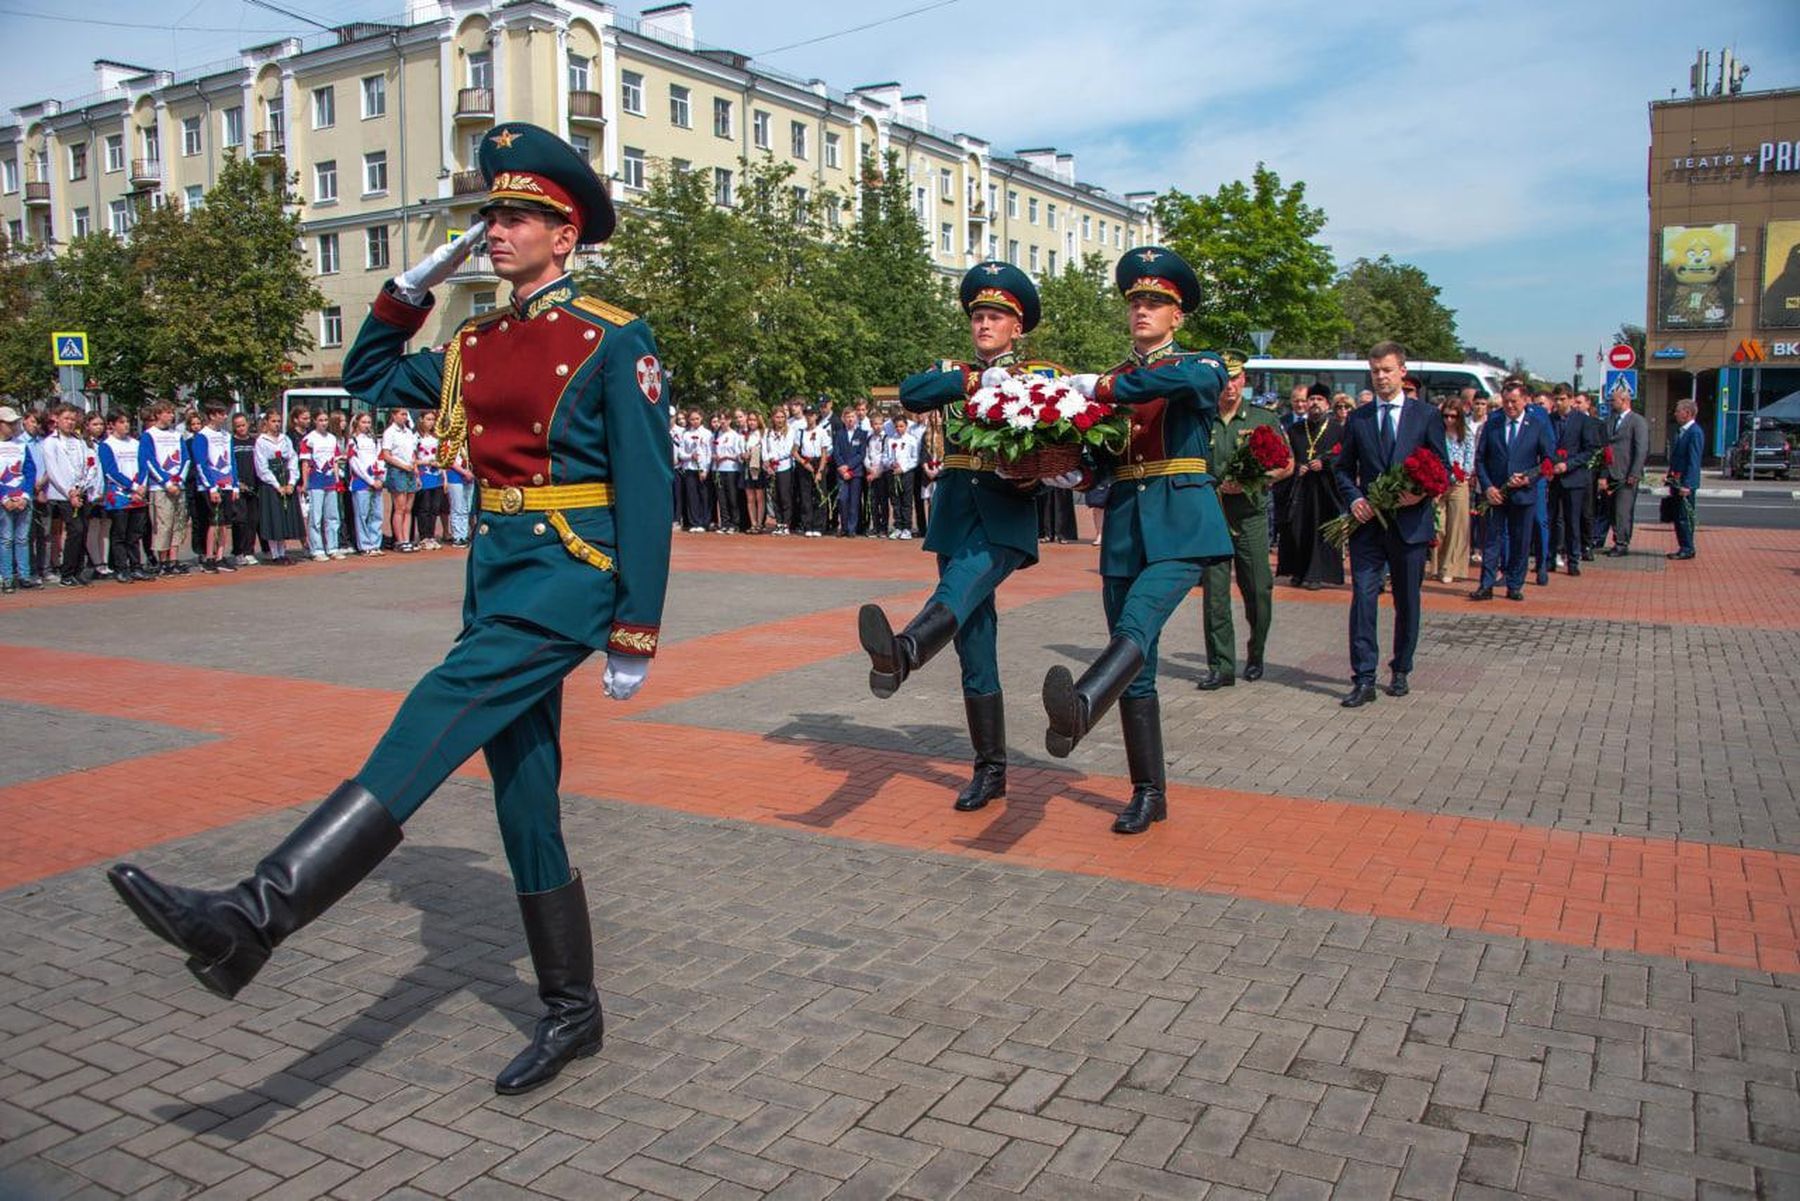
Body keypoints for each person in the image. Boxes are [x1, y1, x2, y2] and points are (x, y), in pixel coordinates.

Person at [107, 119, 673, 1099]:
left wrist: (635, 625)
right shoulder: (478, 341)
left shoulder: (612, 339)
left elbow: (650, 487)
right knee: (525, 797)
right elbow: (366, 378)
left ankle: (254, 917)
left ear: (565, 232)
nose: (496, 228)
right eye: (490, 212)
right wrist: (410, 288)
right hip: (497, 576)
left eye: (518, 214)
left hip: (565, 582)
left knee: (428, 720)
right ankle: (573, 1009)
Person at [1040, 247, 1233, 835]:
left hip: (1182, 523)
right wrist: (1070, 470)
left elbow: (1187, 381)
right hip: (1125, 523)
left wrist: (1101, 385)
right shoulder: (1115, 381)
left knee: (1138, 625)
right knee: (1137, 666)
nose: (1143, 310)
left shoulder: (1200, 364)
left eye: (1156, 303)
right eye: (1136, 302)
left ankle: (1081, 704)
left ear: (1178, 316)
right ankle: (1148, 792)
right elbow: (1102, 456)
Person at [863, 261, 1064, 814]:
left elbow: (1068, 440)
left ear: (1017, 328)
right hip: (954, 511)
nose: (984, 324)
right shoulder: (953, 372)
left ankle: (904, 651)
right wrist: (975, 379)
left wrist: (1043, 472)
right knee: (974, 642)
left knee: (961, 586)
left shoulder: (1039, 377)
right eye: (978, 314)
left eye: (997, 316)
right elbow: (912, 392)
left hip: (1004, 514)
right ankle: (990, 769)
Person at [1332, 341, 1450, 707]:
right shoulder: (1360, 418)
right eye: (1375, 371)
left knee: (1407, 602)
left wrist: (1420, 494)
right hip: (1368, 526)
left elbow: (1442, 469)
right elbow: (1341, 469)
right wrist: (1355, 499)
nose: (1380, 377)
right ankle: (1363, 678)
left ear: (1402, 371)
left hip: (1410, 525)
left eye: (1386, 370)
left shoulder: (1425, 416)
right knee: (1363, 599)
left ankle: (1401, 668)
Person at [1197, 352, 1292, 689]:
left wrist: (1257, 478)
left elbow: (1287, 464)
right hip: (1212, 517)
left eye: (1235, 379)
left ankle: (1255, 652)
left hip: (1250, 515)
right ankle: (1221, 665)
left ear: (1244, 381)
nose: (1230, 387)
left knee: (1258, 589)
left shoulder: (1262, 419)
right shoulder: (1201, 418)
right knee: (1215, 594)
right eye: (1224, 380)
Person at [1471, 378, 1555, 603]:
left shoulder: (1536, 425)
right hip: (1496, 493)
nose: (1510, 406)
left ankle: (1515, 584)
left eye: (1514, 402)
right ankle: (1486, 585)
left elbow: (1548, 460)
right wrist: (1488, 487)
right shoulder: (1493, 423)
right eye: (1506, 402)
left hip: (1523, 493)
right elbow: (1480, 459)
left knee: (1520, 540)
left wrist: (1529, 477)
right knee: (1492, 540)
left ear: (1525, 400)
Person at [1281, 383, 1345, 589]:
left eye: (1319, 400)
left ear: (1327, 404)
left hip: (1325, 491)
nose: (1314, 403)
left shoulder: (1338, 429)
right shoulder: (1296, 429)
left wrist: (1326, 464)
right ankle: (1298, 572)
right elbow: (1287, 456)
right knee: (1297, 530)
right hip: (1300, 489)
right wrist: (1297, 466)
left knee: (1320, 531)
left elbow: (1344, 455)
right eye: (1311, 399)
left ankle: (1316, 575)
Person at [42, 404, 96, 587]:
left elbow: (89, 464)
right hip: (63, 494)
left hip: (80, 491)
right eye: (66, 419)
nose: (70, 423)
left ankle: (77, 570)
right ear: (57, 419)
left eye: (73, 419)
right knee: (75, 529)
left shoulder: (79, 441)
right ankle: (66, 572)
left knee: (83, 531)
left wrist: (83, 485)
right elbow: (53, 471)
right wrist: (69, 491)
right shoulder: (51, 442)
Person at [97, 411, 153, 583]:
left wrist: (141, 486)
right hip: (120, 496)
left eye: (127, 421)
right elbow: (111, 472)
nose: (126, 425)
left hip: (138, 494)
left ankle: (136, 566)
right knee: (120, 534)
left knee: (135, 533)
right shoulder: (107, 445)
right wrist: (133, 487)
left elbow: (144, 465)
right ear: (112, 425)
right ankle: (121, 568)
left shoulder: (135, 443)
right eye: (121, 422)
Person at [1549, 389, 1600, 575]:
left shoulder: (1583, 420)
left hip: (1574, 477)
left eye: (1562, 399)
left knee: (1572, 520)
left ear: (1570, 399)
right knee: (1552, 519)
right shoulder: (1550, 419)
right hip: (1552, 476)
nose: (1559, 403)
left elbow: (1589, 450)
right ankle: (1550, 558)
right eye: (1556, 400)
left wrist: (1568, 464)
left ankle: (1573, 559)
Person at [139, 402, 192, 576]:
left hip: (178, 484)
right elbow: (149, 461)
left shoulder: (176, 435)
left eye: (172, 413)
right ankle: (162, 561)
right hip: (161, 488)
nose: (171, 416)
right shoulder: (149, 435)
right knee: (163, 524)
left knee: (178, 523)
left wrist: (179, 479)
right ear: (158, 414)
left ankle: (174, 559)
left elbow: (185, 458)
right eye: (167, 413)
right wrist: (167, 483)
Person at [1598, 383, 1648, 556]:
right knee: (1611, 510)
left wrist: (1634, 472)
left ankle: (1622, 543)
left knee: (1623, 510)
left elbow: (1641, 449)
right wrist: (1603, 474)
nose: (1611, 403)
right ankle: (1616, 538)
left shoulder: (1637, 421)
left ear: (1625, 400)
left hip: (1627, 474)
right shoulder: (1610, 420)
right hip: (1611, 472)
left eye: (1614, 400)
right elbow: (1606, 447)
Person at [1430, 398, 1476, 583]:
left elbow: (1470, 459)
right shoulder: (1436, 433)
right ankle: (1436, 565)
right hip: (1439, 483)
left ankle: (1450, 567)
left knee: (1456, 527)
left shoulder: (1467, 435)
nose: (1449, 420)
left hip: (1458, 483)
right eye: (1446, 416)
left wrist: (1461, 474)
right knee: (1438, 526)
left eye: (1453, 416)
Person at [191, 402, 239, 573]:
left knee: (225, 522)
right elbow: (201, 463)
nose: (224, 417)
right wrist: (211, 487)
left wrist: (235, 485)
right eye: (221, 414)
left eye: (225, 413)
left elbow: (232, 460)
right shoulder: (202, 436)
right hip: (211, 484)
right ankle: (209, 557)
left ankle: (220, 556)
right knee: (213, 521)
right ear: (212, 415)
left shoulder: (226, 435)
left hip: (227, 482)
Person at [253, 411, 302, 564]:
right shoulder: (261, 441)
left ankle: (283, 551)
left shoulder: (285, 439)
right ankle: (275, 554)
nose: (277, 424)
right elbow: (261, 466)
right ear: (266, 422)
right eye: (273, 421)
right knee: (274, 517)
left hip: (285, 477)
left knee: (284, 516)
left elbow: (293, 459)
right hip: (271, 483)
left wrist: (292, 482)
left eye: (279, 421)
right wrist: (275, 484)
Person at [0, 405, 37, 593]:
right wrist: (4, 497)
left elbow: (30, 471)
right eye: (10, 423)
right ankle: (6, 577)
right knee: (6, 539)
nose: (14, 426)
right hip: (4, 499)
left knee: (22, 539)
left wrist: (24, 495)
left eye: (15, 423)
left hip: (22, 497)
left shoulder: (21, 445)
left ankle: (24, 575)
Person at [300, 410, 345, 561]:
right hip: (315, 482)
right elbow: (305, 463)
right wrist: (305, 483)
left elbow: (335, 461)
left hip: (330, 481)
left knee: (333, 516)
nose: (324, 423)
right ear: (315, 421)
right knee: (316, 517)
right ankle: (317, 549)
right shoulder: (309, 439)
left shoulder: (332, 438)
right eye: (320, 420)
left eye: (326, 420)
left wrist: (337, 480)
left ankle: (333, 547)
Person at [1667, 397, 1702, 561]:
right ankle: (1684, 545)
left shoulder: (1694, 432)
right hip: (1676, 479)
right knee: (1677, 515)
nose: (1675, 414)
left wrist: (1688, 484)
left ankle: (1687, 548)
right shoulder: (1681, 431)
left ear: (1687, 413)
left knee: (1684, 516)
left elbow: (1693, 461)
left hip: (1685, 483)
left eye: (1677, 411)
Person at [346, 412, 386, 554]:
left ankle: (375, 543)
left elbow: (381, 459)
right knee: (362, 515)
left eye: (369, 422)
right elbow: (354, 464)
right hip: (361, 482)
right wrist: (369, 480)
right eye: (364, 422)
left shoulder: (375, 440)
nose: (367, 425)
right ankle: (365, 545)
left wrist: (380, 478)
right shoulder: (353, 441)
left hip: (377, 482)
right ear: (357, 423)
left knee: (377, 514)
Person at [381, 408, 420, 552]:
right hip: (397, 471)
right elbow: (386, 455)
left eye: (406, 415)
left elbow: (413, 454)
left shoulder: (409, 432)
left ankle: (406, 539)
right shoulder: (389, 432)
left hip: (410, 470)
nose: (405, 417)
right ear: (394, 415)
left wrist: (416, 472)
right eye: (402, 414)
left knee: (408, 508)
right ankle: (400, 540)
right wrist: (402, 465)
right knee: (399, 507)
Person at [831, 401, 869, 538]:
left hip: (856, 472)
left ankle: (852, 528)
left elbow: (861, 454)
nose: (850, 419)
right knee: (842, 499)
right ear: (843, 419)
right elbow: (836, 452)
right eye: (847, 417)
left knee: (854, 501)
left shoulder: (862, 434)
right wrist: (842, 467)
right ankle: (844, 526)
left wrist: (849, 466)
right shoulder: (839, 434)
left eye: (852, 416)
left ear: (856, 418)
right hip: (842, 473)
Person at [228, 412, 260, 566]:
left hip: (254, 486)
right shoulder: (231, 442)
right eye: (238, 426)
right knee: (240, 520)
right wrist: (237, 483)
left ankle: (249, 550)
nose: (241, 428)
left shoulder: (254, 442)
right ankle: (238, 551)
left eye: (243, 425)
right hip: (238, 486)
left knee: (253, 520)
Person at [797, 408, 832, 537]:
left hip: (818, 463)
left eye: (812, 415)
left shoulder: (822, 432)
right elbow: (794, 451)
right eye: (807, 415)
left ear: (816, 416)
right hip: (805, 463)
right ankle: (807, 524)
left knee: (820, 495)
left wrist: (820, 471)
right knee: (805, 495)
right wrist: (803, 463)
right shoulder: (801, 432)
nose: (809, 417)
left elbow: (824, 453)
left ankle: (819, 525)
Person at [413, 409, 444, 549]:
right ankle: (424, 536)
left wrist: (444, 475)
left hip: (436, 475)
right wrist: (425, 463)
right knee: (424, 507)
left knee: (434, 507)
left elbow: (441, 457)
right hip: (423, 474)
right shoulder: (416, 437)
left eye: (432, 419)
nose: (431, 422)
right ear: (421, 420)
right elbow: (413, 459)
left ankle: (431, 536)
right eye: (428, 419)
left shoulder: (436, 437)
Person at [675, 410, 711, 532]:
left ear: (701, 418)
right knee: (692, 496)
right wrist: (690, 456)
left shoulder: (707, 433)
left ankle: (704, 522)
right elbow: (680, 453)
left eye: (697, 418)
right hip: (690, 468)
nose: (694, 421)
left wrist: (705, 469)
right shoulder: (686, 434)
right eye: (692, 419)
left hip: (702, 469)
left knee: (704, 495)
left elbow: (709, 453)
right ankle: (694, 522)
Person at [712, 416, 744, 533]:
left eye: (725, 419)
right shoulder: (716, 434)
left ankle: (735, 524)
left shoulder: (735, 436)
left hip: (731, 469)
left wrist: (726, 457)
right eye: (721, 419)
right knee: (722, 498)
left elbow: (739, 455)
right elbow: (712, 451)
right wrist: (715, 457)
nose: (722, 421)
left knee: (732, 497)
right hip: (718, 469)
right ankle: (725, 523)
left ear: (730, 420)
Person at [743, 411, 767, 533]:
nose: (751, 422)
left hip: (759, 466)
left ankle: (759, 523)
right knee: (750, 497)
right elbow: (741, 450)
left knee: (759, 496)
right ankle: (753, 523)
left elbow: (767, 449)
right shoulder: (746, 434)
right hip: (747, 466)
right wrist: (743, 455)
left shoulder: (763, 433)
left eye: (754, 420)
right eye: (750, 420)